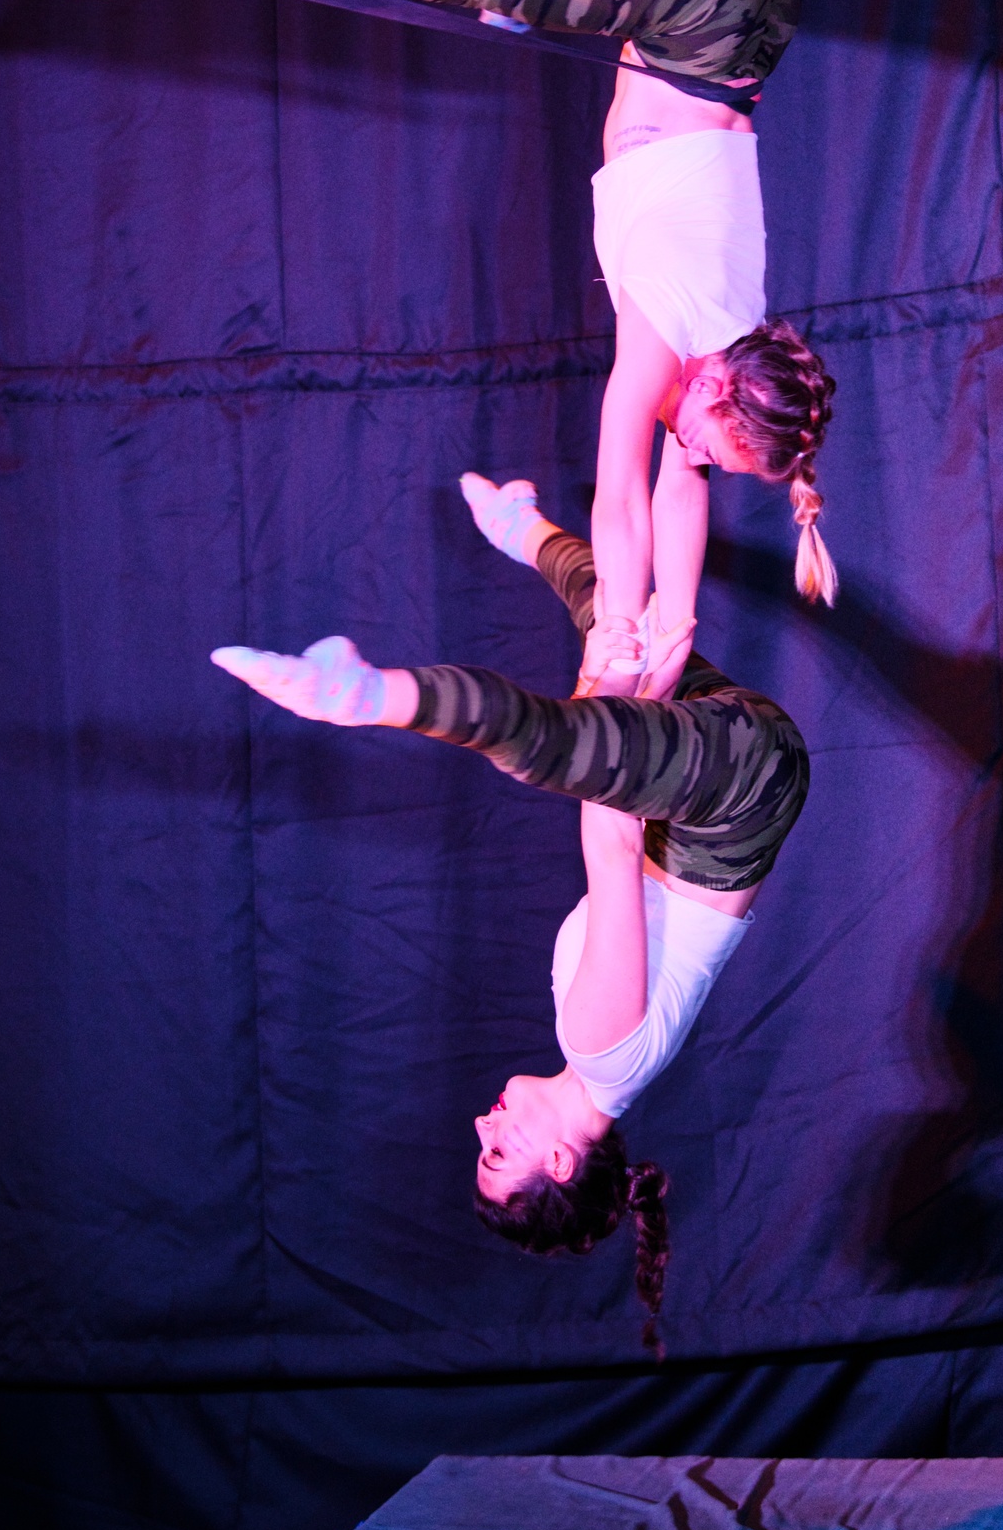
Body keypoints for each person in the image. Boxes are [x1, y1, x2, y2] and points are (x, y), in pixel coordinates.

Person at [60, 0, 839, 686]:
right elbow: (621, 499)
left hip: (734, 9)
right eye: (710, 444)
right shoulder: (668, 328)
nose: (695, 456)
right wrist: (616, 624)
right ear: (714, 386)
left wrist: (672, 626)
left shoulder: (732, 331)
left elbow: (678, 498)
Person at [208, 476, 811, 1354]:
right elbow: (609, 835)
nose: (481, 1125)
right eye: (498, 1153)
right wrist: (619, 692)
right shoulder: (599, 1050)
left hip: (717, 778)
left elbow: (619, 797)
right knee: (544, 743)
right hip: (737, 792)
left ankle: (519, 526)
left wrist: (615, 682)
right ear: (558, 1162)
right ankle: (370, 697)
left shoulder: (605, 1064)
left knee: (612, 616)